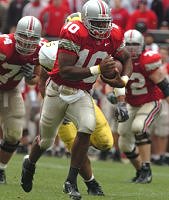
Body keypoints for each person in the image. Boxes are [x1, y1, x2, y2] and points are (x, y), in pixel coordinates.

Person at [20, 0, 133, 199]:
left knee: (87, 127)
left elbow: (126, 58)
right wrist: (99, 70)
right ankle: (29, 164)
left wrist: (122, 80)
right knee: (46, 141)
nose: (102, 27)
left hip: (82, 93)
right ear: (86, 20)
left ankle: (70, 181)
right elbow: (65, 70)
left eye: (105, 22)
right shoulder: (73, 31)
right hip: (57, 90)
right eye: (97, 23)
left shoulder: (114, 33)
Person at [103, 29, 169, 184]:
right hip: (131, 104)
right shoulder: (118, 61)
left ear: (143, 45)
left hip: (151, 101)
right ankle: (141, 172)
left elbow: (164, 85)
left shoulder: (147, 61)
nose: (132, 48)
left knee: (138, 127)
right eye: (129, 44)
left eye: (135, 45)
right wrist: (110, 94)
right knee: (124, 142)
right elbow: (108, 81)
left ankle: (147, 168)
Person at [0, 16, 46, 184]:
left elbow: (34, 80)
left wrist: (30, 75)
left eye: (32, 38)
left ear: (39, 38)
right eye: (24, 36)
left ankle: (0, 169)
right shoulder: (3, 45)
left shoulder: (42, 49)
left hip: (10, 90)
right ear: (15, 33)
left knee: (13, 133)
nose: (27, 42)